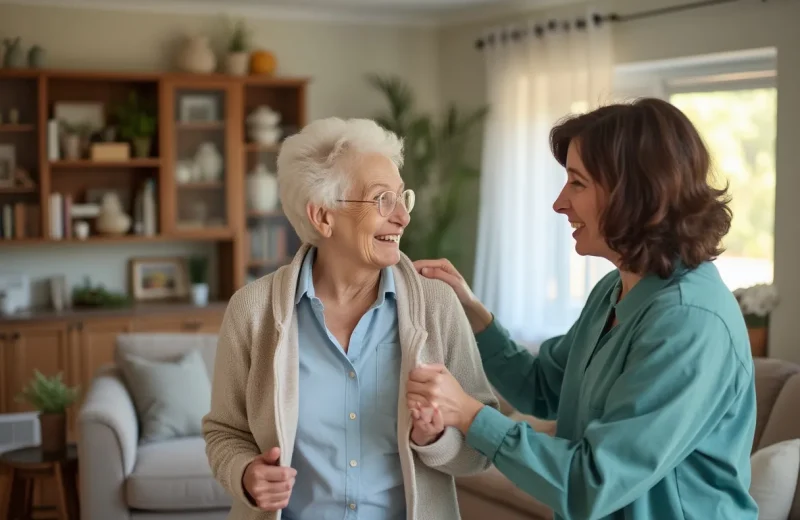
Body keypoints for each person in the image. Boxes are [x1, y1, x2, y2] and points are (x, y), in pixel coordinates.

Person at [407, 98, 759, 520]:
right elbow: (541, 387)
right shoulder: (617, 288)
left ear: (635, 193)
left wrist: (468, 415)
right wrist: (471, 310)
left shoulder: (690, 321)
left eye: (577, 183)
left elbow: (593, 483)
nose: (559, 203)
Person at [202, 116, 499, 520]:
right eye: (381, 200)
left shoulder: (437, 306)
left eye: (402, 197)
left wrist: (435, 438)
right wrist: (246, 474)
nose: (402, 218)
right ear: (323, 216)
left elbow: (484, 449)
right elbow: (224, 433)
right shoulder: (251, 311)